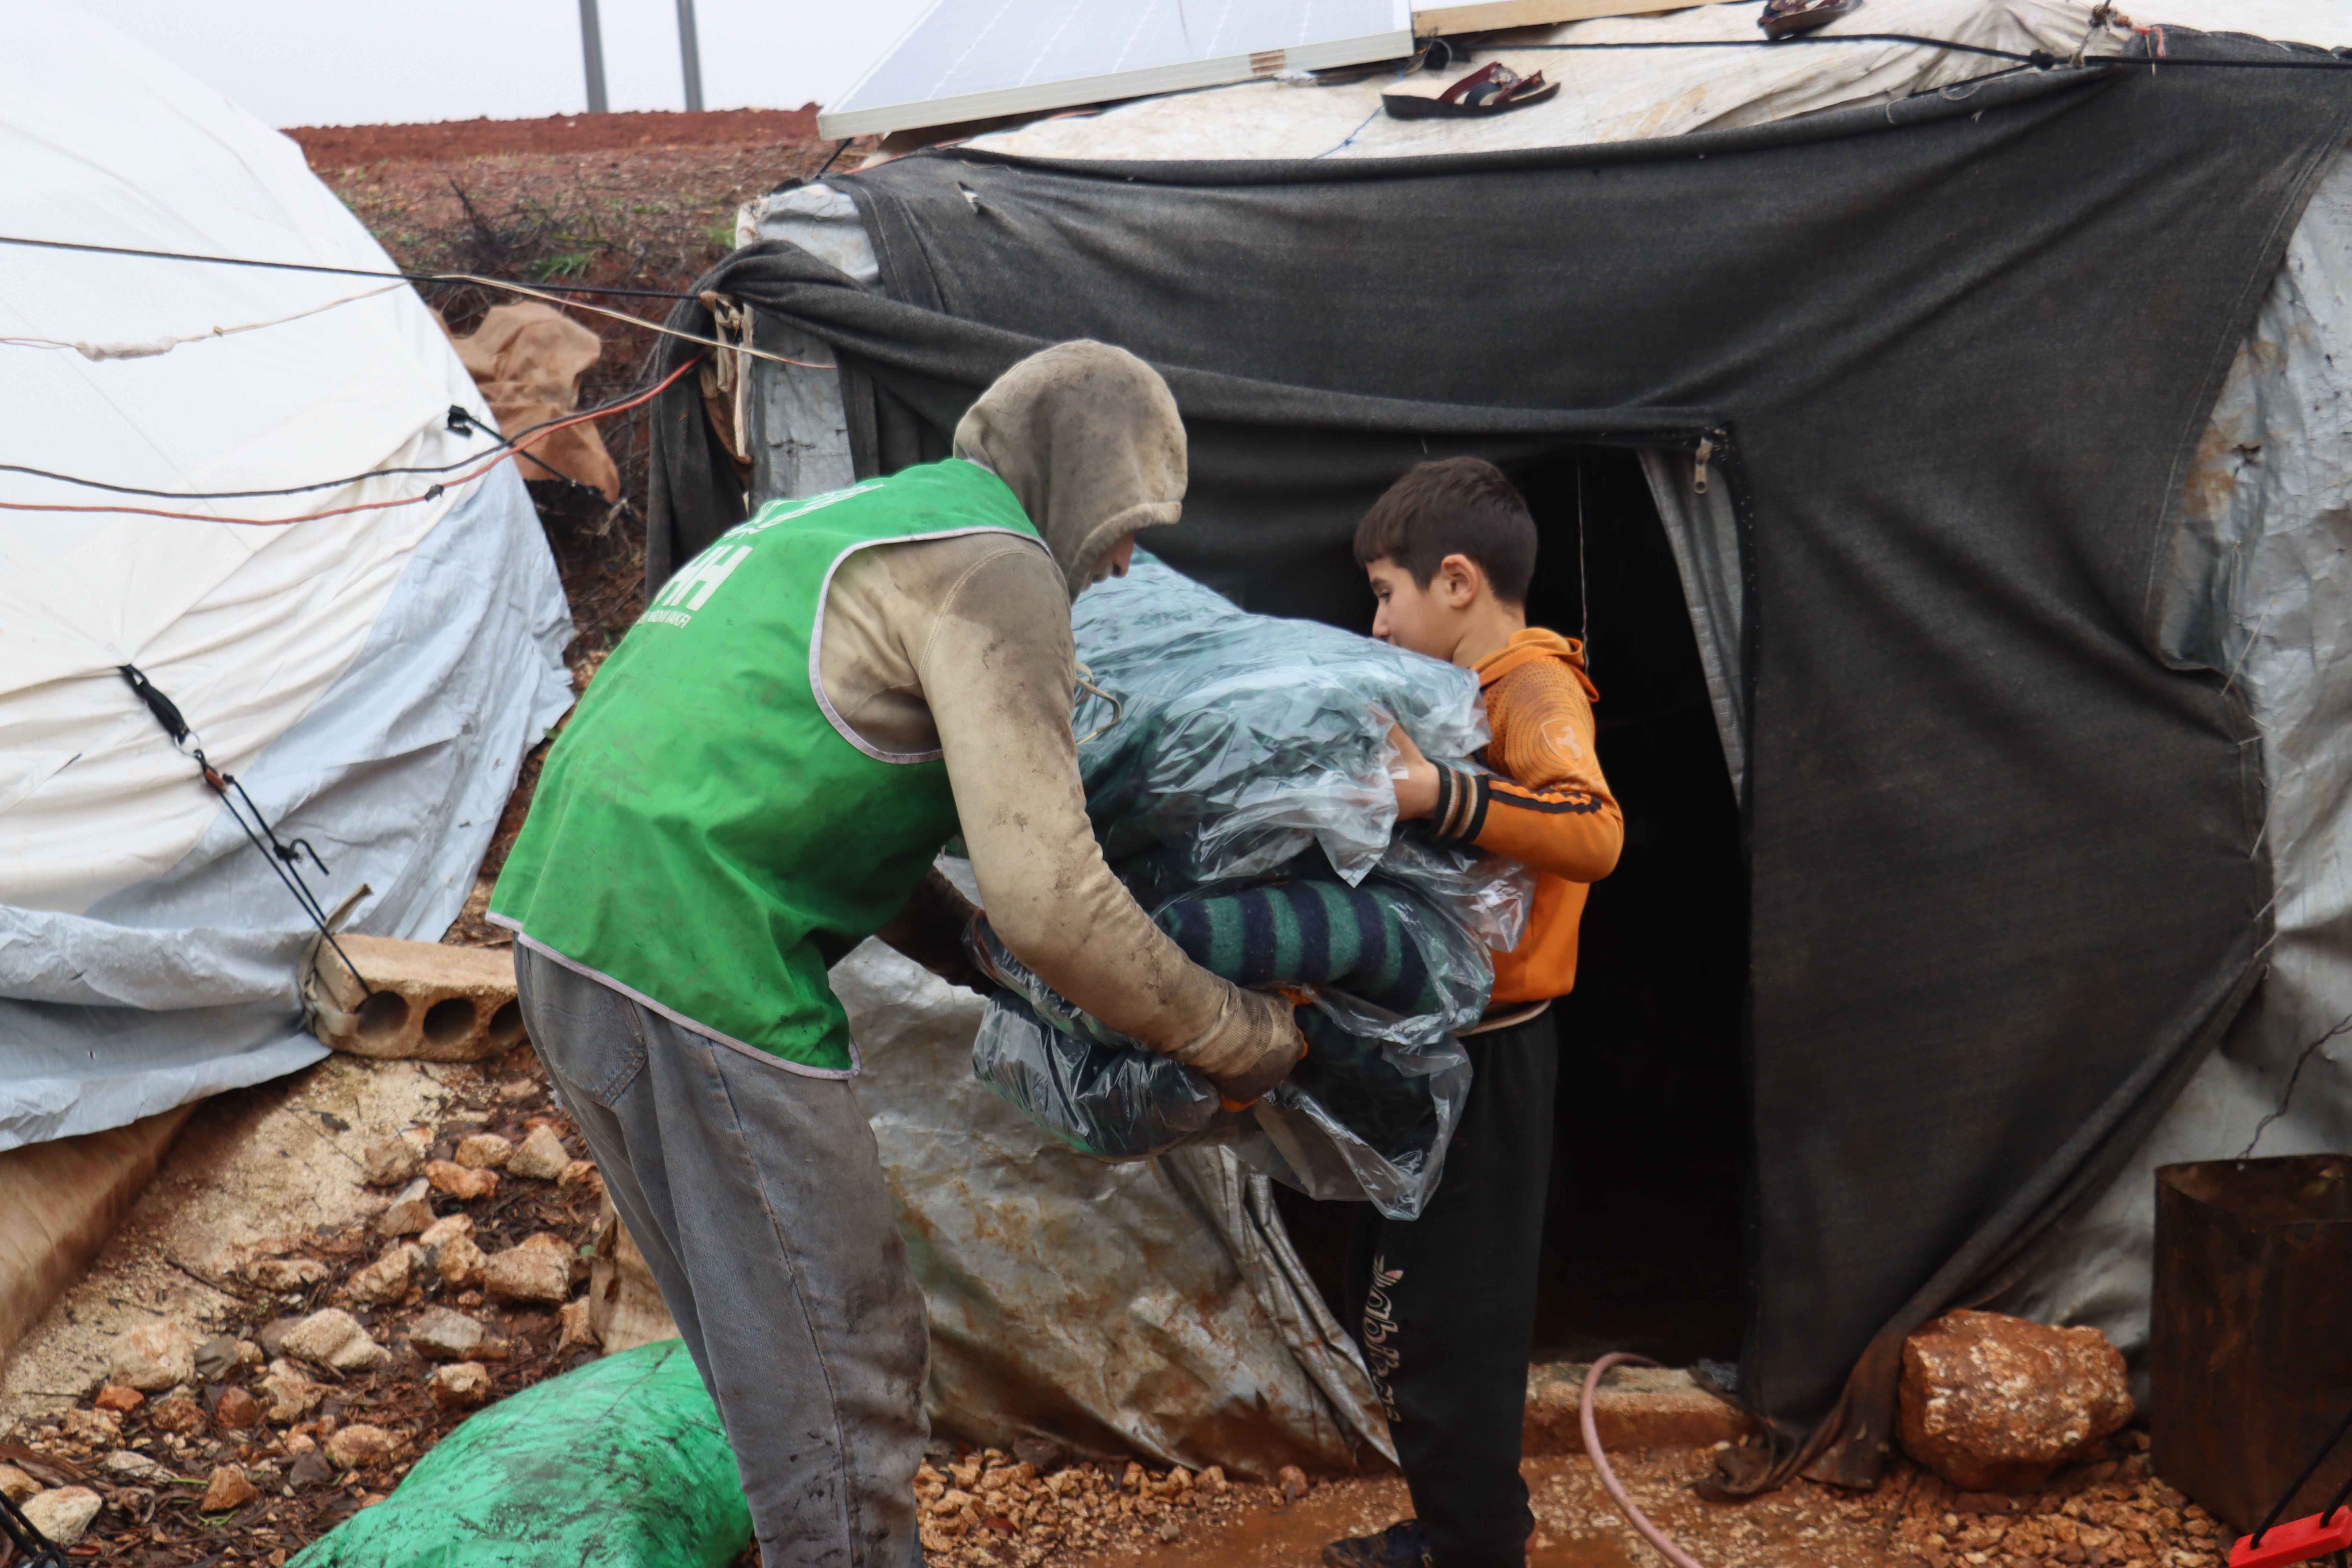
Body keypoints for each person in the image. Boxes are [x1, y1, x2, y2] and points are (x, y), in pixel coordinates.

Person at [490, 341, 1304, 1568]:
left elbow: (797, 787)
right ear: (1078, 483)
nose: (1126, 561)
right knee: (841, 1368)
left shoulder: (859, 521)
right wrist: (1237, 1033)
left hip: (571, 934)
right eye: (1128, 524)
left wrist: (967, 954)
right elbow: (1055, 899)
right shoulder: (999, 566)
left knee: (770, 1358)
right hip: (696, 957)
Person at [1324, 457, 1625, 1568]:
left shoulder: (1532, 685)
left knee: (1453, 1318)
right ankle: (1458, 1528)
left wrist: (1435, 795)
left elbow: (1594, 832)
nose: (1377, 623)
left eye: (1384, 595)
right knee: (1391, 1299)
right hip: (1432, 1045)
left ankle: (1476, 1546)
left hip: (1494, 1055)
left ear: (1457, 582)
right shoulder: (1453, 694)